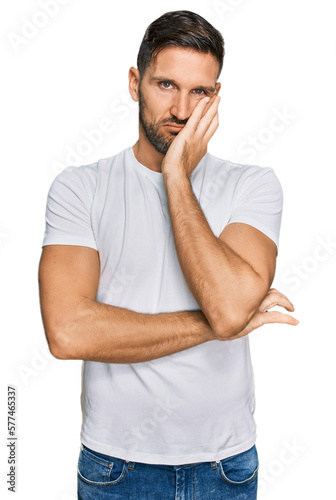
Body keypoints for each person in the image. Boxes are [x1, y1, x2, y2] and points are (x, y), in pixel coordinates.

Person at [38, 10, 298, 500]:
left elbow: (228, 306)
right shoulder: (80, 188)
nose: (181, 109)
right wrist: (218, 323)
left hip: (225, 466)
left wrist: (176, 176)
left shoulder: (253, 185)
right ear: (135, 83)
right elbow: (68, 332)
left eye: (199, 92)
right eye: (165, 85)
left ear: (216, 97)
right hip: (114, 466)